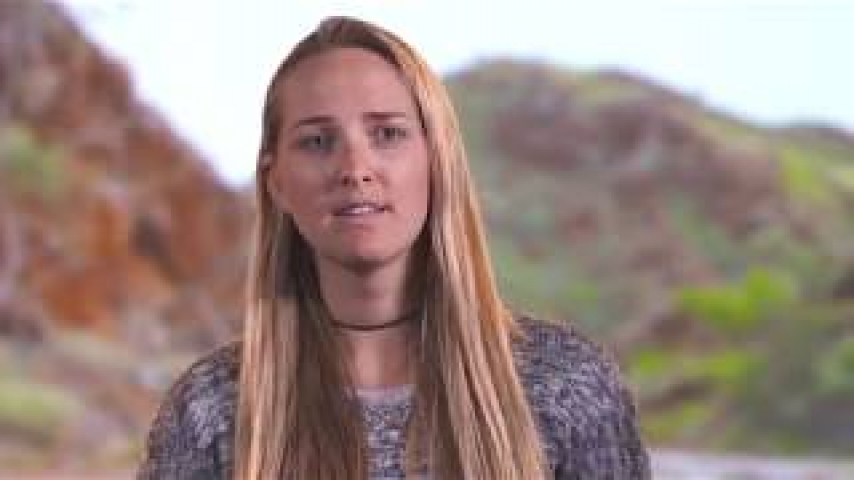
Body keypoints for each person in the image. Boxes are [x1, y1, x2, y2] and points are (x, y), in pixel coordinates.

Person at [137, 16, 650, 480]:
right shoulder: (210, 410)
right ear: (276, 183)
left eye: (387, 133)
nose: (355, 168)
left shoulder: (567, 386)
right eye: (317, 141)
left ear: (436, 160)